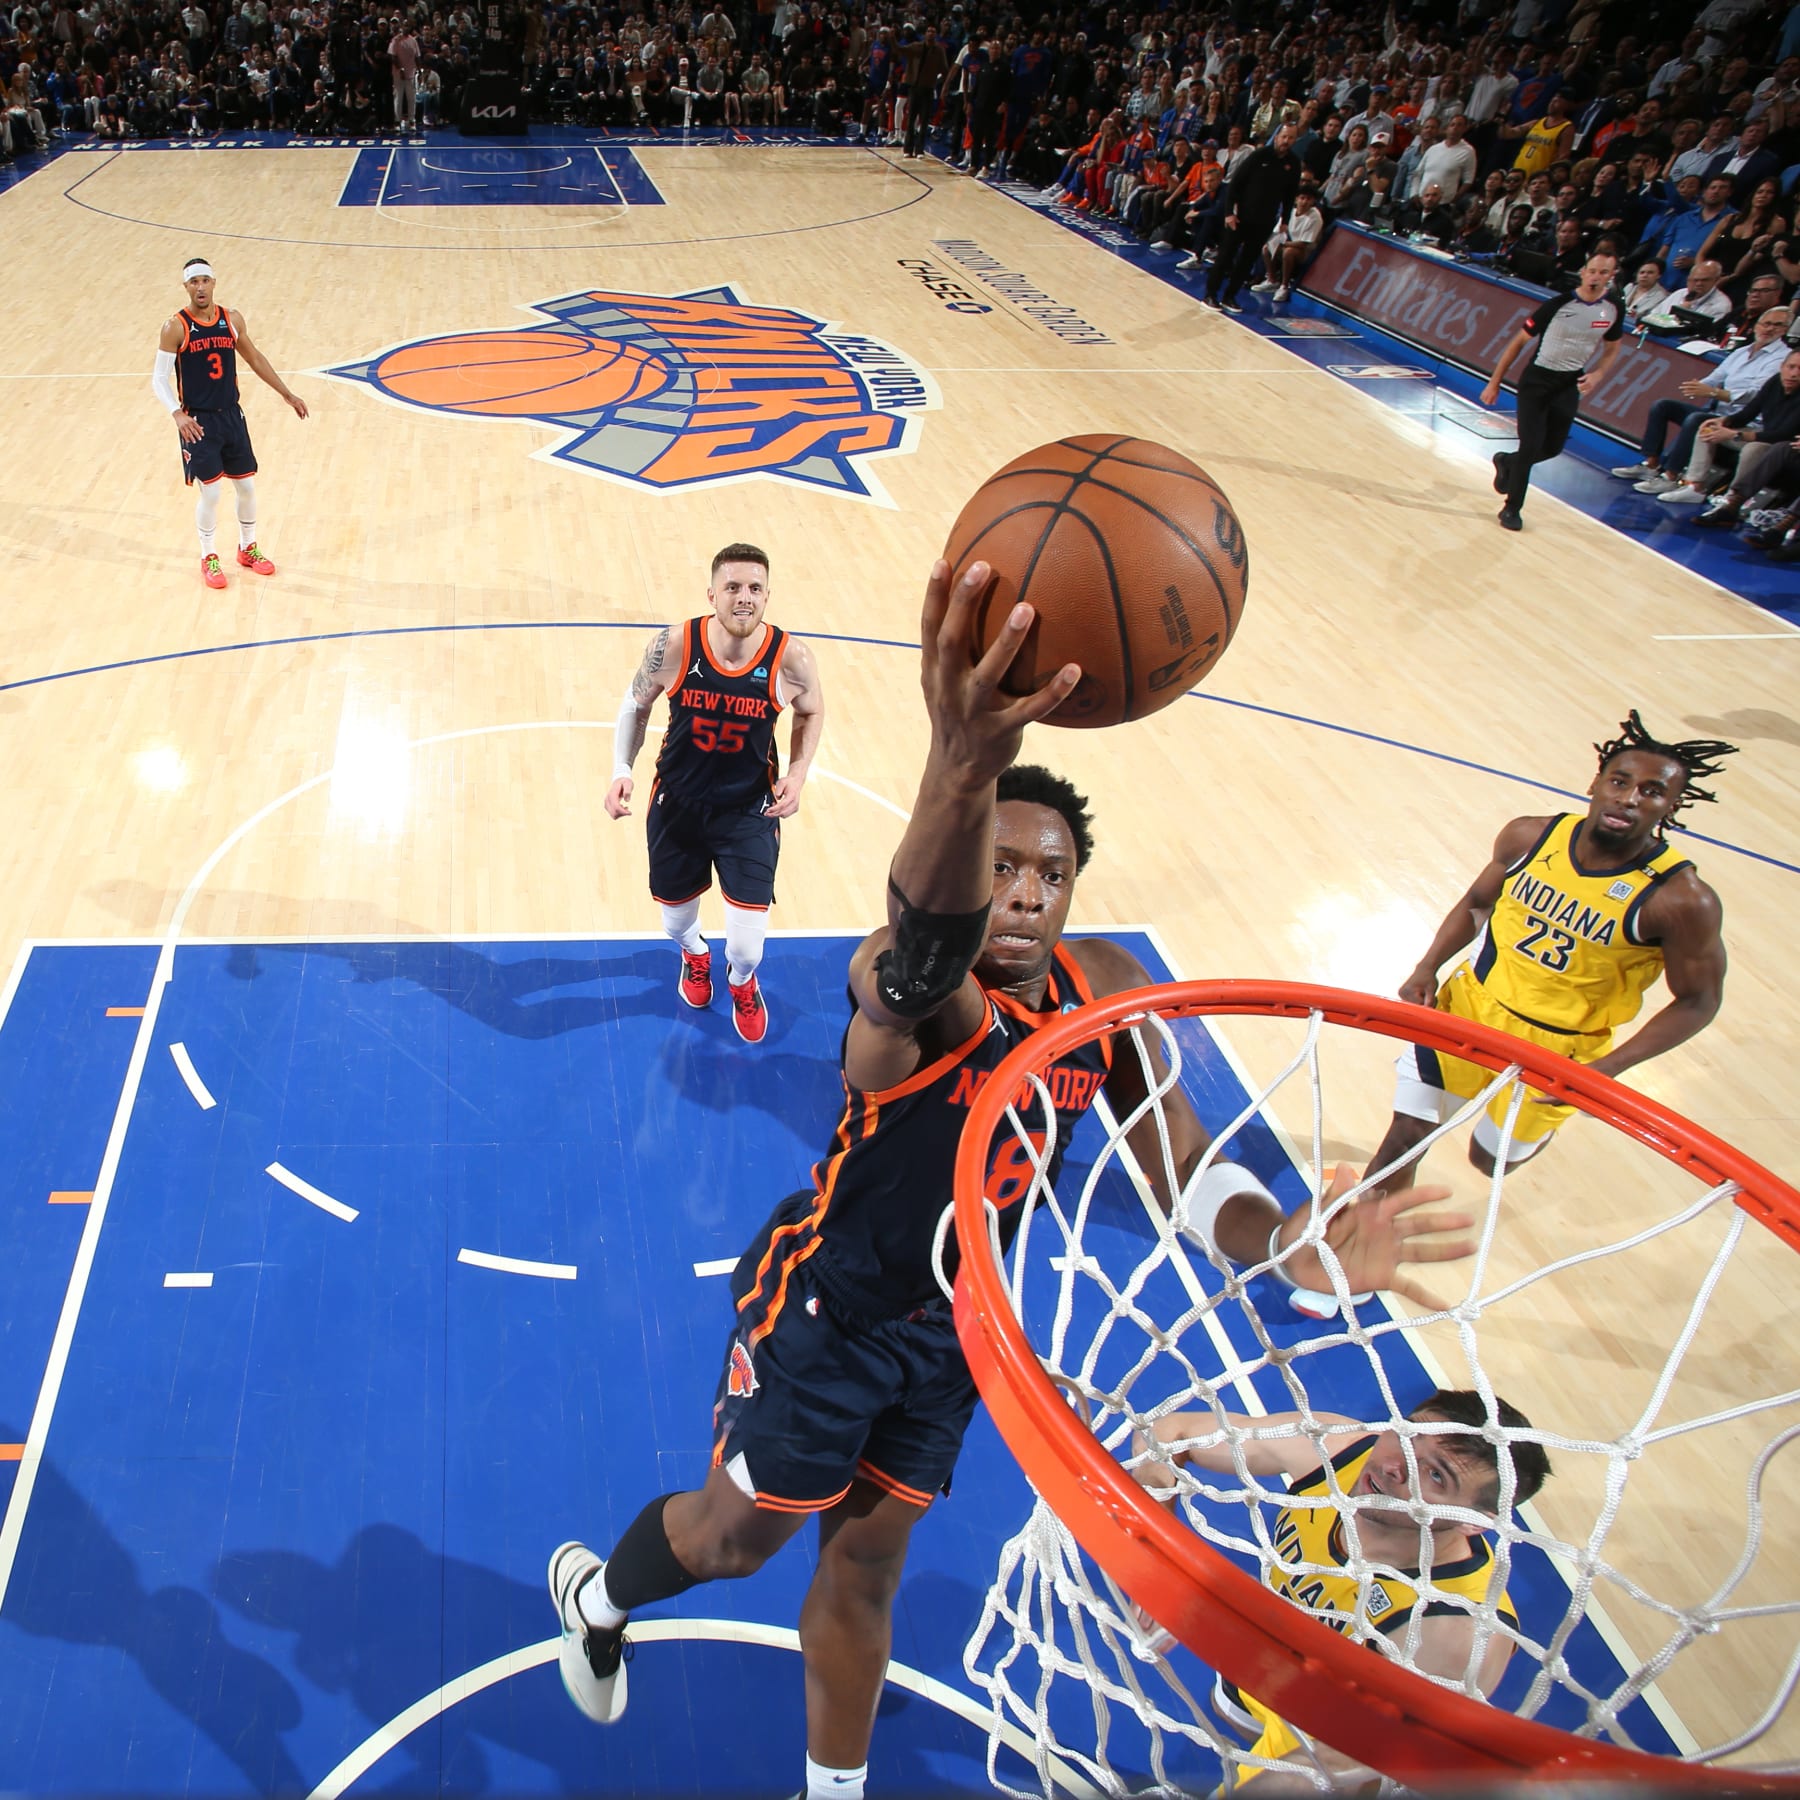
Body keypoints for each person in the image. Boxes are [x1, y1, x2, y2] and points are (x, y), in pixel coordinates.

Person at [548, 561, 1477, 1799]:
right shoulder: (914, 988)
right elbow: (915, 959)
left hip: (954, 1328)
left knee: (867, 1569)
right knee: (733, 1544)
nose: (1025, 894)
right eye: (1001, 867)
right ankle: (597, 1598)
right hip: (829, 1308)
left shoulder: (1105, 995)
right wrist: (961, 766)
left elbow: (1187, 1167)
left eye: (1049, 875)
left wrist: (1288, 1242)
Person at [1365, 713, 1734, 1190]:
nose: (1628, 798)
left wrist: (1608, 1069)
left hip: (1561, 1048)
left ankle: (1522, 1137)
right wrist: (1427, 966)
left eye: (1651, 791)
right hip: (1471, 1009)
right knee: (1406, 1136)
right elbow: (1478, 902)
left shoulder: (1680, 900)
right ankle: (1349, 1230)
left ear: (1672, 805)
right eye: (1619, 781)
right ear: (1595, 783)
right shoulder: (1530, 836)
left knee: (1490, 1161)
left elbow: (1699, 1000)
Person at [1133, 1388, 1550, 1787]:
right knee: (1233, 1710)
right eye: (1407, 1435)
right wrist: (1156, 1559)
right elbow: (1168, 1432)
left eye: (1436, 1474)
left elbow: (1362, 1765)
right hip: (1269, 1653)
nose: (1394, 1464)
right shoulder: (1336, 1449)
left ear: (1474, 1522)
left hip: (1334, 1725)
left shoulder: (1457, 1632)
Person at [606, 544, 824, 1044]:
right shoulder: (675, 645)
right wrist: (621, 768)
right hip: (677, 805)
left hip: (749, 811)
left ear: (767, 595)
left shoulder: (792, 658)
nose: (744, 597)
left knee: (748, 949)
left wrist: (798, 772)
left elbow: (811, 710)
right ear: (712, 594)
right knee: (674, 922)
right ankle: (695, 955)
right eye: (733, 587)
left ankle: (741, 981)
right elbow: (636, 703)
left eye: (754, 588)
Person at [152, 256, 306, 590]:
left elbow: (255, 358)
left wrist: (287, 394)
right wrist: (177, 413)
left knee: (246, 486)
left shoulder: (231, 319)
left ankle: (247, 548)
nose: (200, 287)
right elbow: (158, 378)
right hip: (198, 421)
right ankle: (208, 555)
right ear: (185, 287)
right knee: (211, 493)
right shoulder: (175, 327)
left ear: (214, 283)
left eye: (205, 280)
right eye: (194, 282)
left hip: (232, 416)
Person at [1482, 248, 1624, 531]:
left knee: (1552, 448)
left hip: (1569, 382)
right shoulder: (1557, 305)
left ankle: (1506, 461)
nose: (1596, 277)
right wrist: (1494, 382)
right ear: (1583, 272)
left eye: (1603, 272)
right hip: (1537, 380)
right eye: (1592, 271)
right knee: (1530, 445)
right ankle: (1512, 508)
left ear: (1612, 276)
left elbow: (1612, 348)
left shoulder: (1612, 309)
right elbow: (1517, 343)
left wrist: (1598, 374)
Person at [1614, 302, 1792, 492]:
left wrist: (1713, 392)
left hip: (1745, 421)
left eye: (1777, 325)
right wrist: (1699, 385)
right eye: (1766, 323)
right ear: (1757, 325)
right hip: (1720, 413)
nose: (1769, 329)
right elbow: (1716, 377)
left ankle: (1671, 476)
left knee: (1696, 419)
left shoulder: (1782, 358)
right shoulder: (1742, 351)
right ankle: (1651, 465)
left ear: (1785, 330)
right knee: (1662, 406)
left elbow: (1755, 396)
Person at [1203, 119, 1302, 314]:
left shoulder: (1293, 163)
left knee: (1247, 260)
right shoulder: (1259, 155)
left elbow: (1290, 195)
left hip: (1265, 220)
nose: (1286, 141)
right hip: (1240, 215)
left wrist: (1285, 220)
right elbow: (1235, 184)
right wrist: (1229, 213)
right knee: (1226, 255)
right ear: (1277, 137)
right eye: (1284, 136)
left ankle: (1230, 297)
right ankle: (1210, 295)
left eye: (1291, 138)